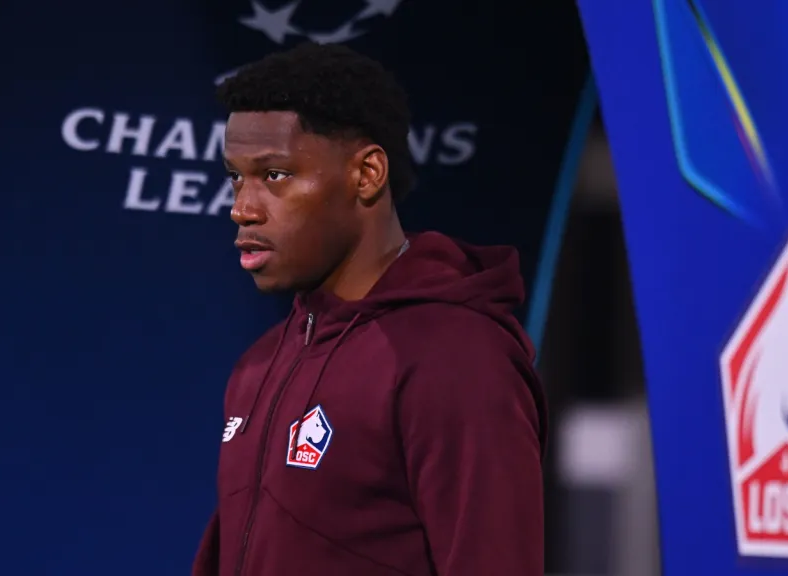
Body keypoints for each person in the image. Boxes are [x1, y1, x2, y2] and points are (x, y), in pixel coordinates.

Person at [193, 41, 547, 576]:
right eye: (235, 178)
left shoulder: (457, 359)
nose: (241, 208)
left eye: (275, 175)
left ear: (367, 174)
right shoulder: (258, 365)